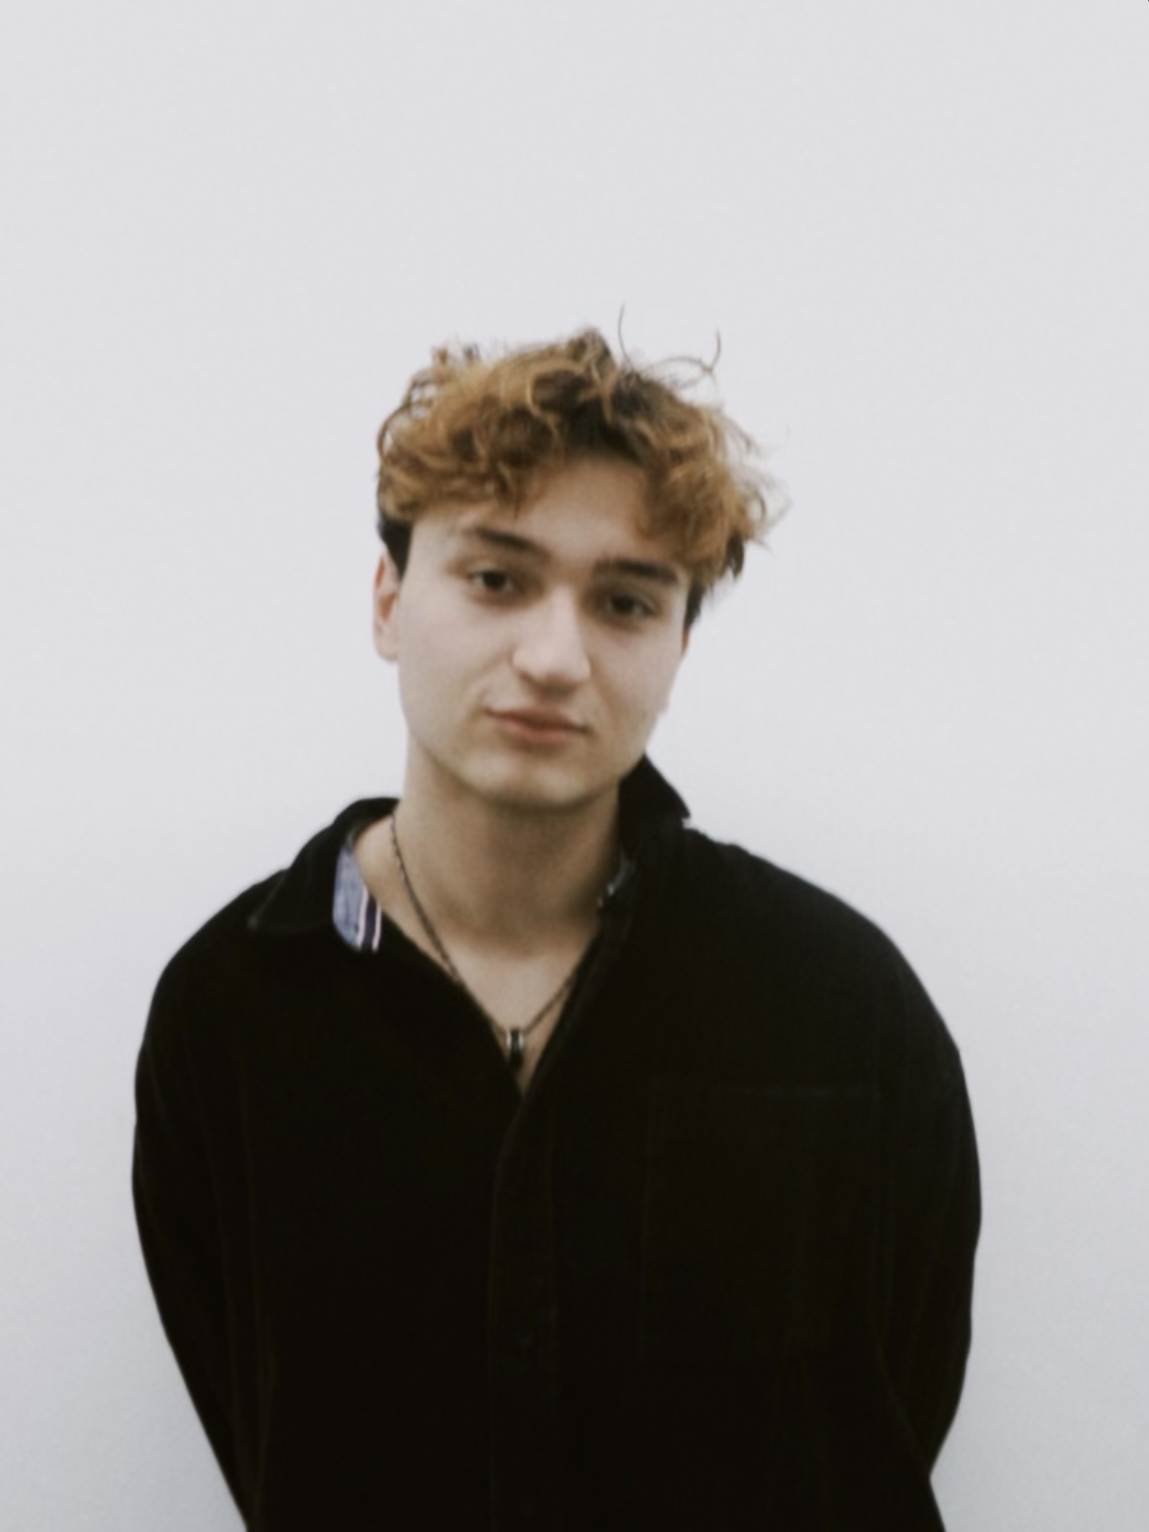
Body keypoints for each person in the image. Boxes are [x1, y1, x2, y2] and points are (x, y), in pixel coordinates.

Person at [132, 329, 980, 1530]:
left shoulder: (842, 1004)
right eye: (496, 577)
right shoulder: (229, 1008)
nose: (553, 656)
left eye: (626, 600)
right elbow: (263, 1418)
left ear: (678, 645)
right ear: (389, 600)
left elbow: (888, 1403)